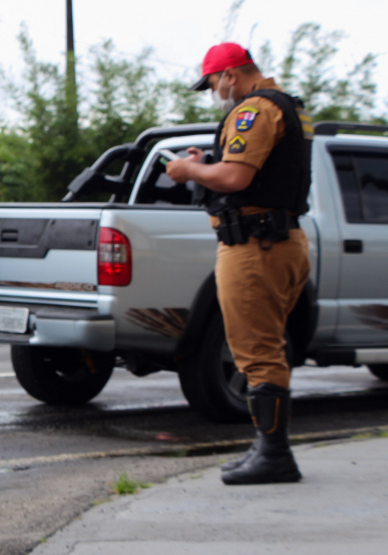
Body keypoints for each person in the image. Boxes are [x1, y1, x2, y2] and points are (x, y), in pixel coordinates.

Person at [166, 42, 313, 486]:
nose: (214, 92)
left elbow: (236, 178)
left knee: (256, 350)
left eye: (212, 82)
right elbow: (250, 170)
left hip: (255, 246)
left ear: (230, 74)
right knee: (265, 345)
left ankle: (273, 455)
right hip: (277, 240)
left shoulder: (253, 110)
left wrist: (190, 172)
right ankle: (267, 449)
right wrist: (207, 163)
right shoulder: (286, 106)